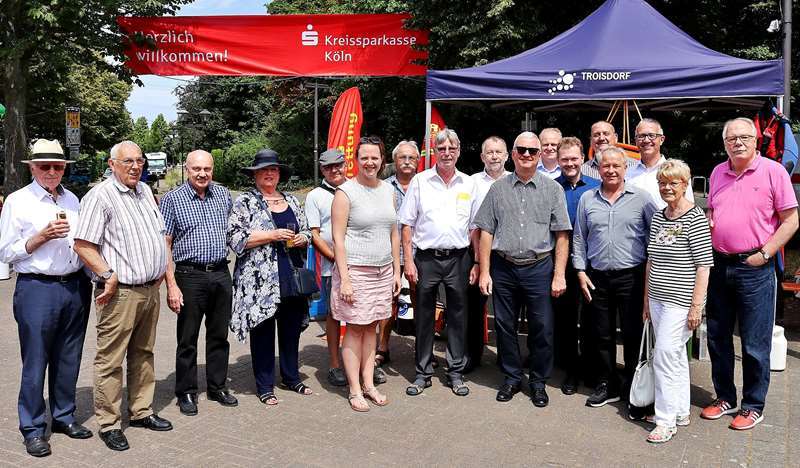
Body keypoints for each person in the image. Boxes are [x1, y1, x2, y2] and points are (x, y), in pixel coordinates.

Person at [74, 141, 172, 452]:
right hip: (120, 293)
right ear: (112, 164)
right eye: (127, 161)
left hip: (148, 291)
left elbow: (156, 236)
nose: (135, 166)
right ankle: (109, 423)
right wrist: (107, 275)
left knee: (144, 353)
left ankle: (141, 411)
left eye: (139, 161)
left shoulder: (144, 192)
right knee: (110, 360)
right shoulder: (100, 196)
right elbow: (83, 244)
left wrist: (159, 270)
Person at [701, 117, 798, 430]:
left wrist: (765, 254)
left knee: (755, 343)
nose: (737, 143)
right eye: (731, 138)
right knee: (717, 336)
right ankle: (725, 397)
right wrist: (711, 220)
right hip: (719, 264)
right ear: (724, 143)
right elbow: (712, 210)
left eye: (744, 137)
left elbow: (791, 220)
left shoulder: (773, 171)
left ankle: (754, 404)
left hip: (755, 267)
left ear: (756, 140)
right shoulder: (718, 172)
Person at [0, 139, 92, 457]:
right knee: (36, 361)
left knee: (69, 358)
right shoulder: (18, 201)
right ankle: (33, 428)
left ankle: (64, 417)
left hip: (75, 287)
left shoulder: (73, 199)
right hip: (37, 288)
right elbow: (5, 251)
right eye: (45, 166)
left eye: (58, 166)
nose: (52, 172)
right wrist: (40, 238)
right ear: (33, 168)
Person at [475, 131, 571, 407]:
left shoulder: (552, 190)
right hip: (504, 268)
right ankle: (512, 377)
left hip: (540, 267)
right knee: (505, 326)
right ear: (513, 154)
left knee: (542, 327)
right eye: (522, 150)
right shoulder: (498, 189)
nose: (527, 154)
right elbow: (486, 231)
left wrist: (559, 274)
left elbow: (562, 234)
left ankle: (538, 382)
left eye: (532, 150)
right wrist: (484, 271)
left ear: (540, 155)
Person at [572, 146, 657, 415]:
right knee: (601, 334)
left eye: (616, 166)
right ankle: (606, 383)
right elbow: (579, 238)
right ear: (597, 169)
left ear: (625, 168)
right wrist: (580, 271)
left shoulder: (642, 199)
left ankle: (633, 388)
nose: (610, 170)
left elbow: (655, 236)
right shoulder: (588, 199)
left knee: (632, 335)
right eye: (605, 166)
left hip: (631, 276)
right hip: (596, 277)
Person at [227, 149, 314, 407]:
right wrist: (271, 235)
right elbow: (235, 238)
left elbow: (307, 230)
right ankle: (264, 385)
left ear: (279, 174)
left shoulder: (292, 200)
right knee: (263, 333)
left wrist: (303, 238)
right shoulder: (245, 201)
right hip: (259, 283)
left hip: (292, 278)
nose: (269, 174)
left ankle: (291, 377)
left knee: (291, 331)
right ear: (255, 175)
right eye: (263, 170)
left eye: (273, 170)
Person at [399, 128, 479, 397]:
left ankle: (455, 372)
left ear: (458, 151)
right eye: (441, 148)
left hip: (459, 258)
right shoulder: (420, 182)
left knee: (458, 317)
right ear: (434, 152)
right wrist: (408, 261)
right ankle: (423, 372)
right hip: (426, 259)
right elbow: (407, 225)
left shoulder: (469, 184)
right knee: (423, 317)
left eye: (451, 149)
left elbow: (474, 228)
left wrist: (477, 262)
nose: (446, 153)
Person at [160, 150, 237, 416]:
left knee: (219, 335)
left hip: (220, 272)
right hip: (189, 275)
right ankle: (187, 392)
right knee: (188, 337)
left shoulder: (224, 194)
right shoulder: (172, 199)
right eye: (196, 169)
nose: (202, 174)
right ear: (187, 169)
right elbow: (165, 244)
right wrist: (171, 284)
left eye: (207, 168)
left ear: (212, 169)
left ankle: (217, 386)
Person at [642, 159, 713, 443]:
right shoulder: (660, 216)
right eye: (662, 183)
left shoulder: (695, 218)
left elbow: (703, 265)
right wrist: (646, 299)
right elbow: (651, 260)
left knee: (664, 355)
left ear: (685, 185)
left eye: (673, 183)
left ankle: (665, 420)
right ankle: (680, 410)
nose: (667, 188)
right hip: (658, 298)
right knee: (675, 358)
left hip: (680, 301)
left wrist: (697, 306)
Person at [331, 136, 401, 411]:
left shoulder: (388, 191)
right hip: (356, 272)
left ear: (382, 160)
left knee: (372, 327)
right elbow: (338, 239)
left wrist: (396, 270)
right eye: (364, 157)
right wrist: (345, 278)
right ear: (356, 160)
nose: (370, 162)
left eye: (375, 157)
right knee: (355, 329)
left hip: (383, 272)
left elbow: (393, 233)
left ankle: (369, 384)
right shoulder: (345, 193)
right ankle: (354, 389)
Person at [553, 137, 599, 395]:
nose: (569, 163)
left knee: (593, 320)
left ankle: (592, 370)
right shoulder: (551, 188)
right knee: (566, 321)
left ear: (582, 158)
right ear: (558, 161)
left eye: (574, 158)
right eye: (565, 159)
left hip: (592, 265)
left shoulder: (596, 187)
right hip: (561, 265)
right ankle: (570, 370)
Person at [376, 140, 420, 377]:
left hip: (417, 254)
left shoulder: (425, 185)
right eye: (402, 157)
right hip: (389, 253)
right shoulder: (382, 187)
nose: (406, 162)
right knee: (387, 301)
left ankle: (423, 350)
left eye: (411, 158)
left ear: (418, 161)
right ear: (395, 160)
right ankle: (383, 347)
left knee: (421, 301)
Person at [466, 136, 510, 372]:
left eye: (498, 152)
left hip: (505, 256)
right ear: (482, 157)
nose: (494, 156)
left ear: (507, 155)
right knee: (474, 309)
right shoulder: (471, 183)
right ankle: (472, 356)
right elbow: (472, 224)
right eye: (489, 152)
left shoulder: (515, 181)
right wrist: (476, 261)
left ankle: (506, 358)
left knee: (505, 312)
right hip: (476, 253)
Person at [305, 148, 348, 387]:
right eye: (329, 167)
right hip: (333, 267)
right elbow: (315, 235)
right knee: (334, 316)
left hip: (359, 265)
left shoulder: (356, 189)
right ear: (322, 169)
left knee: (360, 318)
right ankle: (334, 364)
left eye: (338, 165)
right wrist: (336, 259)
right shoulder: (315, 196)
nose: (335, 170)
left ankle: (363, 363)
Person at [627, 118, 695, 208]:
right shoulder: (626, 173)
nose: (646, 140)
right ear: (636, 140)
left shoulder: (678, 172)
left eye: (652, 135)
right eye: (641, 136)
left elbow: (688, 207)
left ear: (662, 139)